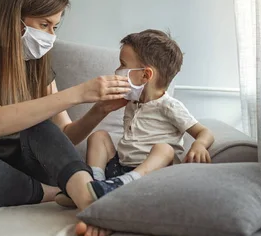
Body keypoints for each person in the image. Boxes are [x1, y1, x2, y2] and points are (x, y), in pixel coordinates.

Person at [0, 0, 129, 236]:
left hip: (32, 162)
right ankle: (58, 193)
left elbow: (65, 135)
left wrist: (99, 110)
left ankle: (90, 200)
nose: (50, 35)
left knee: (42, 127)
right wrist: (77, 93)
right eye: (44, 25)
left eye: (55, 26)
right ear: (15, 20)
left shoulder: (36, 62)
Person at [80, 29, 215, 200]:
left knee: (164, 149)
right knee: (98, 136)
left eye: (122, 64)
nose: (117, 70)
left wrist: (199, 145)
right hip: (120, 169)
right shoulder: (131, 102)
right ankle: (96, 185)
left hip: (153, 174)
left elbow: (205, 132)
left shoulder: (168, 105)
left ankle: (119, 184)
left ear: (146, 74)